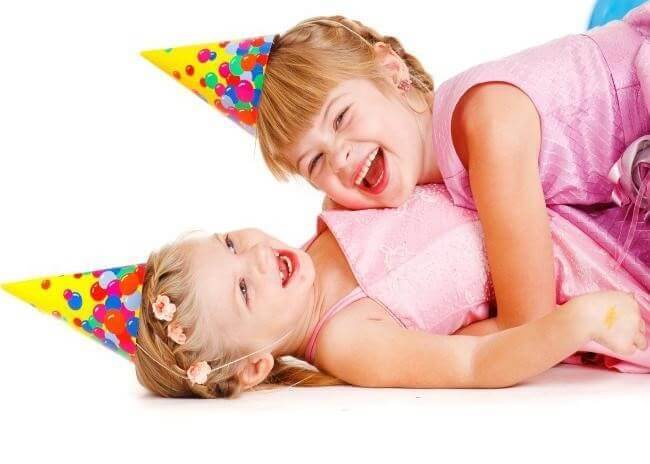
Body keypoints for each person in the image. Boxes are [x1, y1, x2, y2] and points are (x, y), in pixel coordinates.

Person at [134, 185, 648, 399]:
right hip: (576, 258)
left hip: (546, 189)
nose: (252, 255)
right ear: (254, 367)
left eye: (228, 242)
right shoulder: (351, 341)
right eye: (244, 289)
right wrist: (574, 323)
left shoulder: (329, 216)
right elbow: (474, 363)